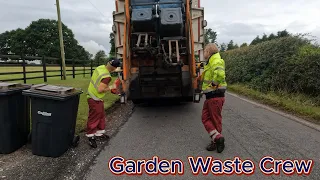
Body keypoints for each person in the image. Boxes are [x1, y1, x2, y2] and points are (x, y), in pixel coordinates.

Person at [198, 43, 227, 153]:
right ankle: (217, 138)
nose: (204, 53)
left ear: (209, 52)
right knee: (205, 118)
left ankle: (216, 142)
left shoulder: (216, 60)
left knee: (215, 120)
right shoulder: (211, 61)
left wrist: (214, 85)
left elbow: (219, 74)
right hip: (210, 97)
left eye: (205, 51)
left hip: (215, 96)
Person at [86, 58, 121, 148]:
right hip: (94, 97)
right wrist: (111, 87)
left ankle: (99, 133)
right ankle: (90, 136)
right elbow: (100, 89)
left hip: (93, 95)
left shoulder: (100, 67)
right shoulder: (107, 77)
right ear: (114, 68)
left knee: (101, 115)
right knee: (94, 117)